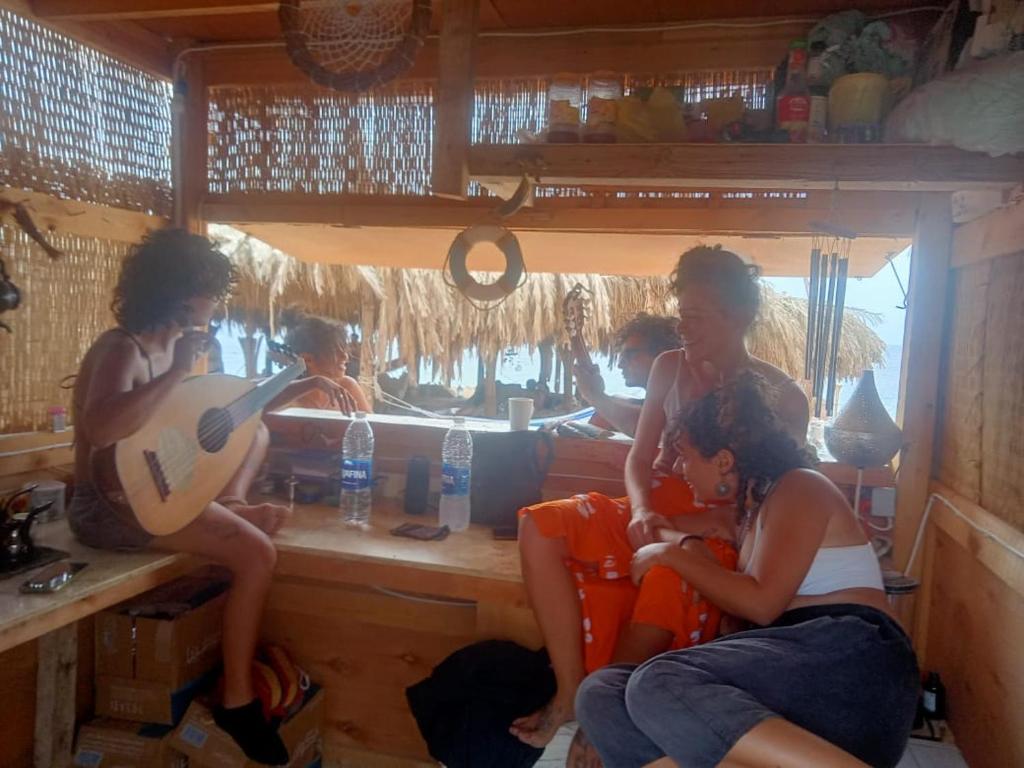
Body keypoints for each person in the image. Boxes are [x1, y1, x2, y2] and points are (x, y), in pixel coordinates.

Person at [68, 229, 354, 765]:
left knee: (256, 435)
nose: (214, 305)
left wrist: (285, 391)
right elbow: (103, 428)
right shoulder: (120, 348)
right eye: (209, 292)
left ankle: (231, 504)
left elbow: (203, 422)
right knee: (257, 553)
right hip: (106, 510)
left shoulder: (173, 349)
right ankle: (238, 700)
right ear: (177, 291)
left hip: (152, 495)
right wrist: (176, 371)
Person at [512, 246, 808, 752]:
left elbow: (775, 501)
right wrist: (643, 508)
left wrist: (705, 527)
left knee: (673, 574)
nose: (684, 327)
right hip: (654, 504)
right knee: (540, 526)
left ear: (737, 317)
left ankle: (599, 719)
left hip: (716, 526)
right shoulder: (669, 368)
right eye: (682, 315)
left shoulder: (782, 397)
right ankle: (568, 691)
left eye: (696, 316)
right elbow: (638, 458)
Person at [575, 373, 919, 768]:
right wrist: (670, 541)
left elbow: (762, 603)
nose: (678, 467)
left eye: (685, 455)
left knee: (659, 682)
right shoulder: (746, 516)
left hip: (852, 670)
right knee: (602, 691)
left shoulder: (801, 488)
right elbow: (662, 532)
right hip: (791, 687)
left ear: (723, 460)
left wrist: (670, 555)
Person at [576, 313, 681, 437]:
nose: (620, 364)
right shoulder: (660, 402)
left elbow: (653, 428)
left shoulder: (686, 402)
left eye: (630, 355)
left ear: (662, 355)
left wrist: (594, 395)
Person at [278, 308, 373, 413]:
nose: (345, 357)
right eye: (334, 351)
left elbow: (373, 427)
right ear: (308, 360)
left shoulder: (347, 387)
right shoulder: (285, 400)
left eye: (343, 349)